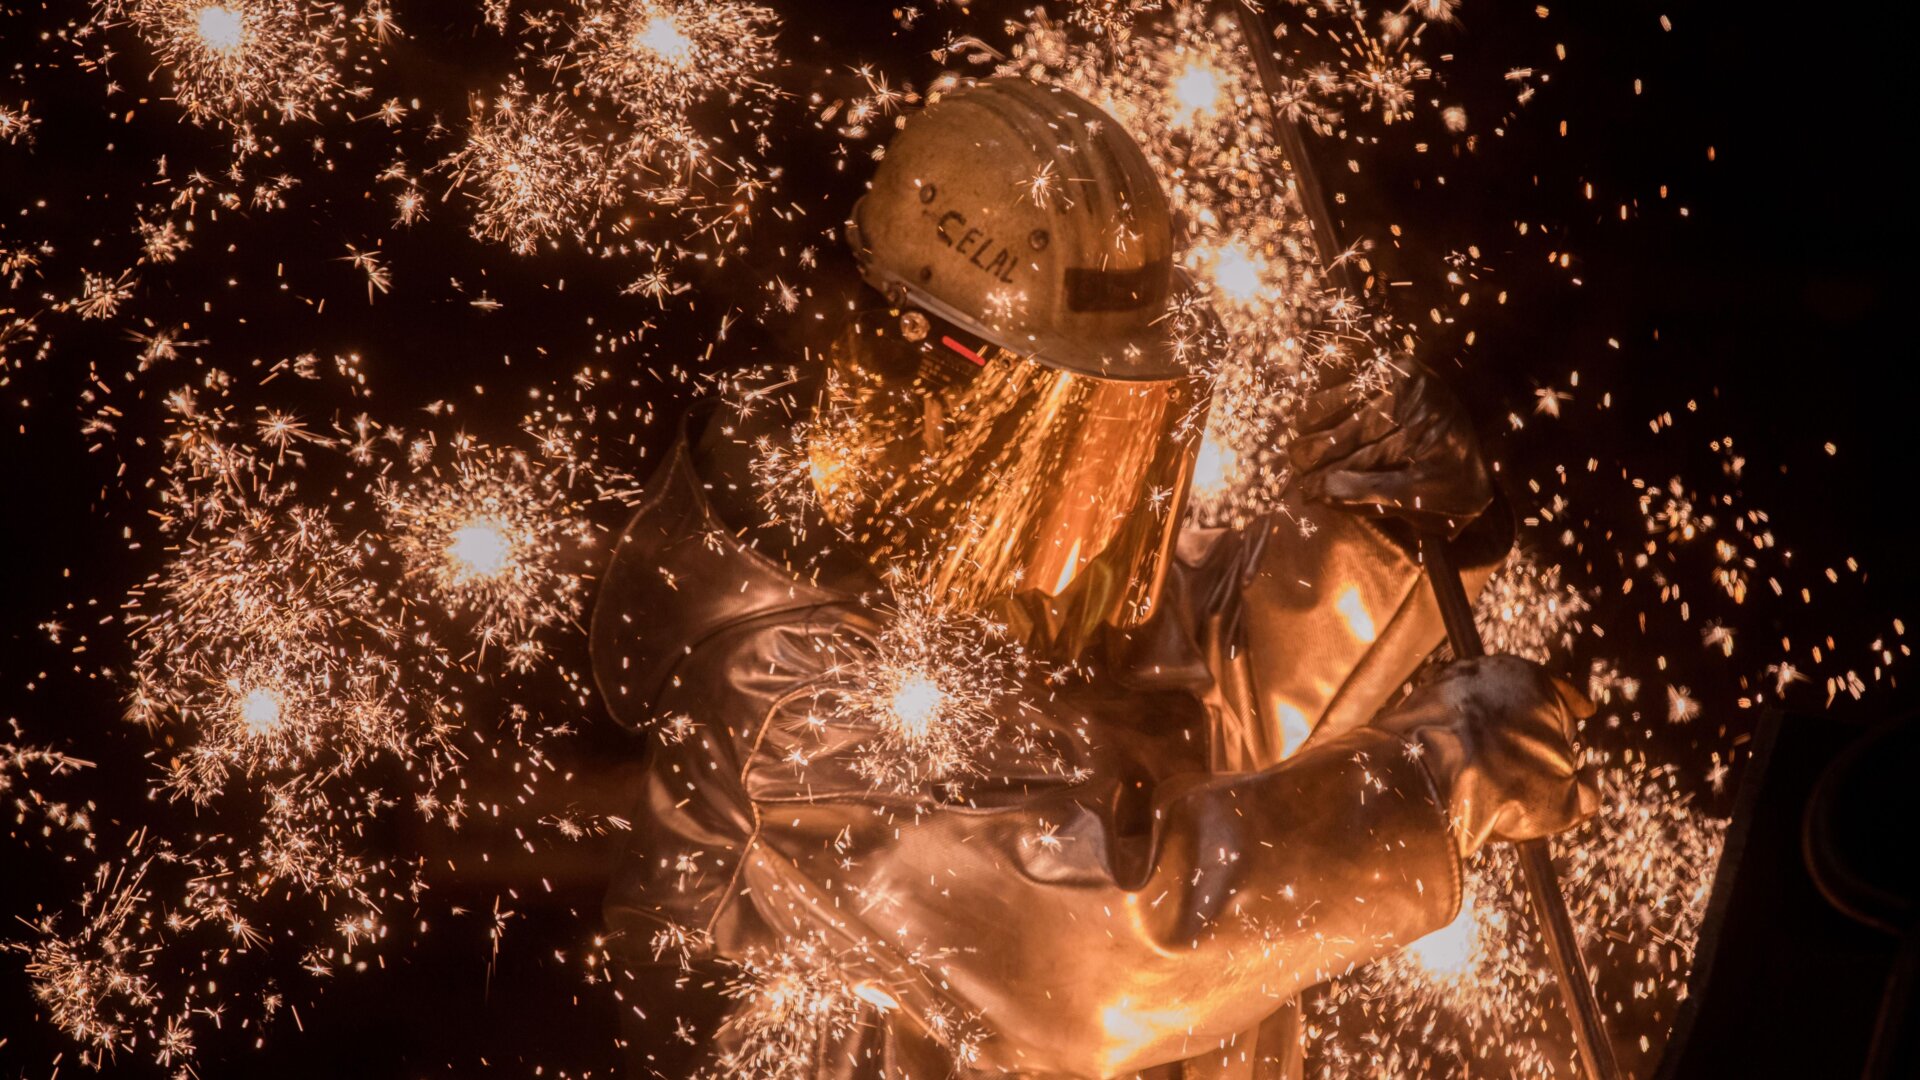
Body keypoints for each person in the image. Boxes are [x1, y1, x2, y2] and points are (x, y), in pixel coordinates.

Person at [590, 77, 1596, 1079]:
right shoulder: (782, 698)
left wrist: (1381, 522)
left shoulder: (1008, 579)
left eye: (1115, 423)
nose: (1091, 478)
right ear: (931, 381)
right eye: (1065, 425)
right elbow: (1098, 961)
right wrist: (1430, 778)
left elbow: (1228, 709)